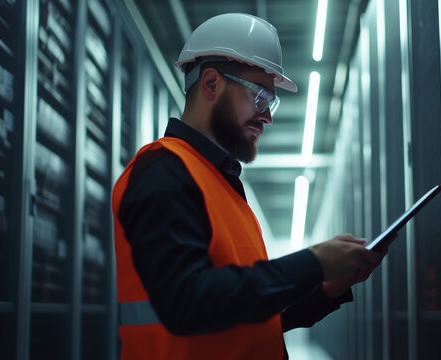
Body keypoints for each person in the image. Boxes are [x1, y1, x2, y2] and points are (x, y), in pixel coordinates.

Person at [112, 13, 389, 360]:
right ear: (212, 84)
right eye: (260, 97)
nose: (268, 116)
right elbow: (187, 303)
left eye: (271, 102)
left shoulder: (221, 183)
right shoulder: (163, 170)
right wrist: (312, 263)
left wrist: (325, 288)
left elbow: (248, 312)